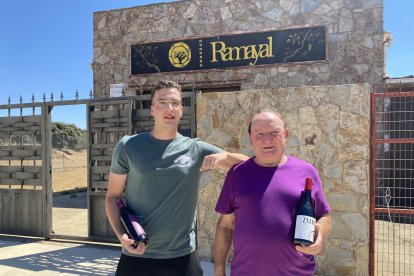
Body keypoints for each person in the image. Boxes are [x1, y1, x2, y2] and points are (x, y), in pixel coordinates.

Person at [105, 80, 248, 276]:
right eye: (162, 102)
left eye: (174, 103)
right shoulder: (128, 146)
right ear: (152, 109)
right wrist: (122, 236)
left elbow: (249, 165)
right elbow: (113, 197)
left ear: (181, 109)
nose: (169, 108)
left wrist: (226, 157)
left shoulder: (196, 149)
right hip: (137, 255)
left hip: (182, 258)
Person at [214, 111, 332, 276]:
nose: (267, 139)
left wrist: (319, 233)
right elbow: (225, 225)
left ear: (286, 134)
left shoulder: (306, 172)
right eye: (259, 134)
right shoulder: (237, 174)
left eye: (274, 133)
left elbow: (324, 216)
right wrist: (219, 271)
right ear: (250, 138)